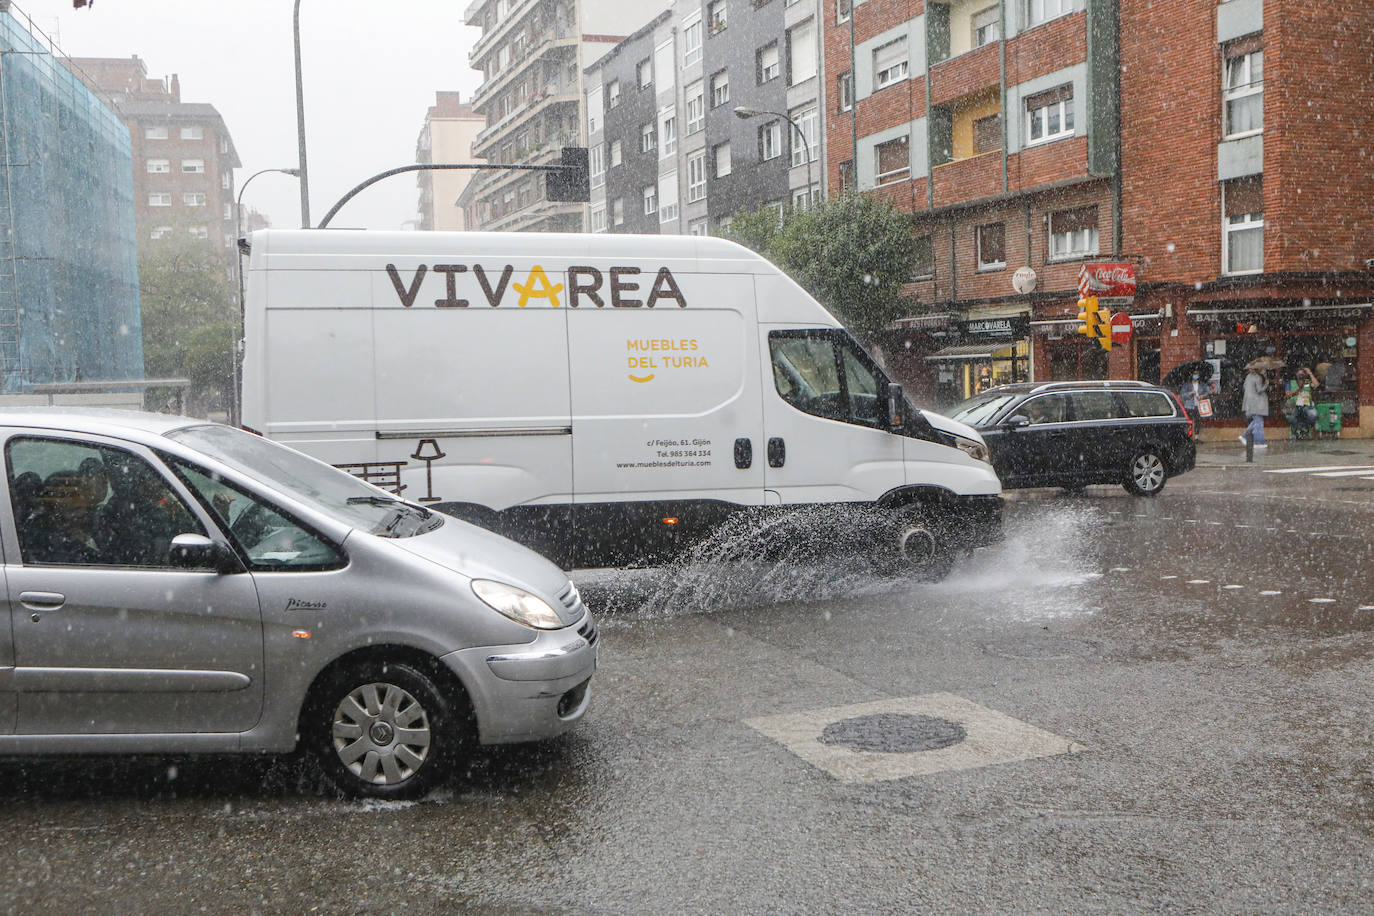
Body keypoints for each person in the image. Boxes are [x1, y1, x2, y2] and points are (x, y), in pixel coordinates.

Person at [1241, 366, 1269, 448]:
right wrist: (1266, 383)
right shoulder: (1257, 377)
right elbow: (1259, 390)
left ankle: (1244, 436)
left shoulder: (1248, 376)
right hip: (1257, 404)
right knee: (1259, 422)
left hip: (1249, 403)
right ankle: (1259, 442)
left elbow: (1244, 388)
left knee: (1256, 422)